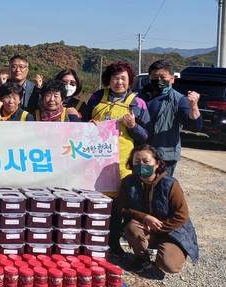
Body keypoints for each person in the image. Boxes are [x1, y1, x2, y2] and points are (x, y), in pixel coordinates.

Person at [83, 60, 150, 257]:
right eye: (115, 78)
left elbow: (146, 135)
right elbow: (81, 125)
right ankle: (88, 241)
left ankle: (113, 242)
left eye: (123, 78)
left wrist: (133, 127)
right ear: (108, 79)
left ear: (130, 80)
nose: (118, 82)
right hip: (94, 161)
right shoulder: (97, 97)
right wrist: (88, 124)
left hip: (121, 163)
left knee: (116, 206)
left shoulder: (138, 103)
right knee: (92, 203)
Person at [117, 144, 199, 275]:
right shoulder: (128, 182)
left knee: (171, 266)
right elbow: (121, 207)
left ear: (157, 163)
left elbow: (181, 215)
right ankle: (142, 259)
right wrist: (145, 217)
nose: (141, 165)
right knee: (132, 228)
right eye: (137, 161)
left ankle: (165, 255)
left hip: (172, 232)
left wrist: (157, 227)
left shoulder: (170, 184)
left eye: (146, 161)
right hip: (144, 228)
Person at [139, 59, 202, 177]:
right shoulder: (141, 96)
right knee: (140, 184)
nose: (159, 80)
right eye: (154, 77)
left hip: (164, 155)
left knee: (161, 185)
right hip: (141, 152)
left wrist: (193, 106)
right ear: (149, 78)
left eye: (163, 77)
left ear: (172, 79)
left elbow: (195, 126)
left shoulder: (179, 100)